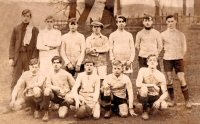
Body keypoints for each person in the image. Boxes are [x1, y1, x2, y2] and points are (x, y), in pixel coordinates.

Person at [161, 15, 192, 108]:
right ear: (166, 22)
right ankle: (172, 100)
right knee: (169, 79)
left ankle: (187, 101)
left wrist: (180, 55)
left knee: (181, 78)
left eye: (172, 21)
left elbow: (184, 47)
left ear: (176, 22)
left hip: (178, 59)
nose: (170, 23)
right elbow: (160, 47)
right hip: (167, 59)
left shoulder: (181, 34)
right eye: (168, 21)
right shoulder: (162, 35)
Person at [9, 9, 39, 90]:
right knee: (16, 77)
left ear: (30, 17)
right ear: (21, 17)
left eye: (27, 16)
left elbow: (36, 45)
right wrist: (11, 58)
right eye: (24, 16)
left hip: (29, 57)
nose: (25, 18)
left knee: (30, 77)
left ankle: (28, 99)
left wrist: (34, 58)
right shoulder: (16, 28)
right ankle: (13, 98)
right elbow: (12, 44)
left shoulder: (34, 29)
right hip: (18, 56)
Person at [43, 56, 75, 121]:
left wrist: (69, 96)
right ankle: (46, 112)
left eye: (58, 63)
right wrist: (56, 88)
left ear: (61, 64)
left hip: (64, 98)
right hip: (55, 96)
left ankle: (65, 106)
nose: (56, 64)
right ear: (52, 64)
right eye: (54, 63)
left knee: (61, 115)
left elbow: (74, 87)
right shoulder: (50, 73)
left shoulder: (66, 74)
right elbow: (47, 85)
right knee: (47, 91)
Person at [136, 54, 168, 120]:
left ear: (157, 63)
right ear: (147, 62)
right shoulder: (142, 70)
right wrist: (152, 85)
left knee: (164, 106)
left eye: (154, 60)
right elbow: (138, 84)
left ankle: (151, 108)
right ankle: (145, 110)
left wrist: (159, 101)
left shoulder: (160, 75)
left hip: (154, 95)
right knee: (144, 89)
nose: (152, 62)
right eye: (150, 60)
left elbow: (165, 92)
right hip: (143, 94)